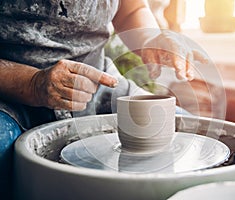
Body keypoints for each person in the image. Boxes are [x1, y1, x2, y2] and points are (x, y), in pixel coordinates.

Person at [0, 0, 206, 198]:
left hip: (98, 80)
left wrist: (150, 39)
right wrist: (32, 84)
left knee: (195, 136)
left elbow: (132, 9)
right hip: (12, 87)